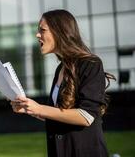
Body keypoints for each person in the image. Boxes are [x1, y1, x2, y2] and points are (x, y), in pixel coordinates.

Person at [10, 9, 115, 157]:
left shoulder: (91, 64)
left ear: (60, 32)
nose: (37, 34)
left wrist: (39, 108)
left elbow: (86, 116)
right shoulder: (61, 69)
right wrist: (29, 109)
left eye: (42, 30)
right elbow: (57, 113)